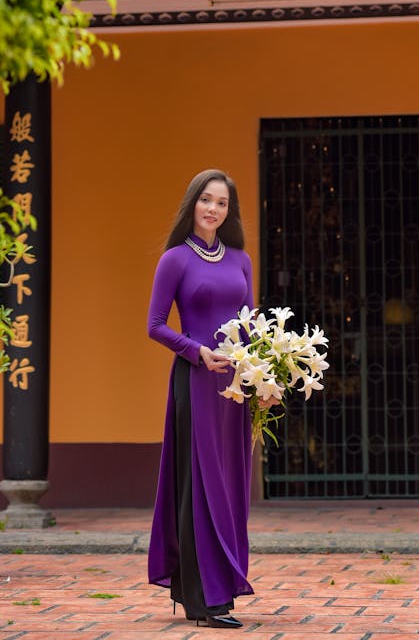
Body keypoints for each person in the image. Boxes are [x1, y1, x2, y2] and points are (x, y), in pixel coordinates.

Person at [147, 169, 254, 629]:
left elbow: (252, 323)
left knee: (230, 485)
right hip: (196, 381)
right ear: (193, 204)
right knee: (202, 483)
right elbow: (155, 325)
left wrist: (263, 375)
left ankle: (219, 589)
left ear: (230, 211)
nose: (213, 209)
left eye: (222, 203)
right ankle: (204, 597)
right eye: (206, 200)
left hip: (236, 389)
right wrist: (196, 351)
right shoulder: (174, 259)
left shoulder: (241, 260)